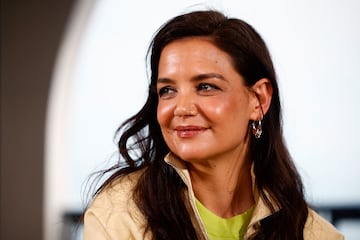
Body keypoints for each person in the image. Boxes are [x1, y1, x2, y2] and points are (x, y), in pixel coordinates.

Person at [83, 10, 343, 240]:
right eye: (167, 90)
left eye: (206, 87)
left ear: (258, 99)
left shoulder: (314, 234)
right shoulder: (119, 214)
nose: (182, 108)